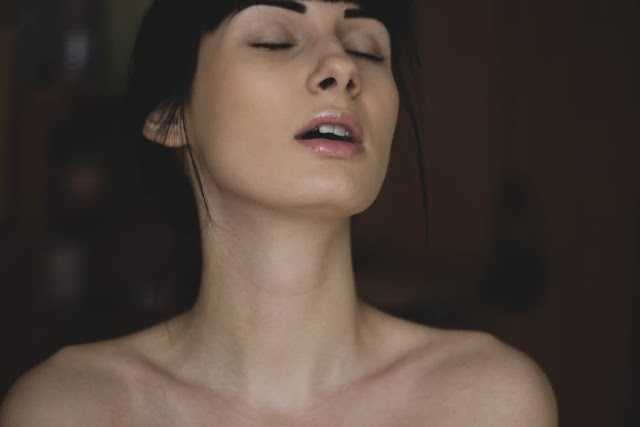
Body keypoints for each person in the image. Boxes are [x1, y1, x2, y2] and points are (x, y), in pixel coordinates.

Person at [0, 0, 557, 425]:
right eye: (273, 40)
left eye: (367, 48)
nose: (341, 66)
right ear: (170, 114)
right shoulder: (65, 409)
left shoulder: (489, 402)